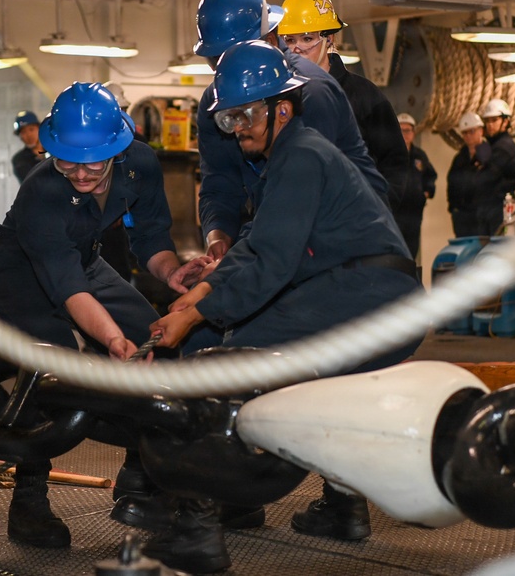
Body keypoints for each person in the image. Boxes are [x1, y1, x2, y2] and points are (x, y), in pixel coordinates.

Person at [143, 41, 420, 574]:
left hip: (366, 296)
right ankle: (341, 508)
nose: (238, 129)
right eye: (229, 119)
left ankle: (198, 528)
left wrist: (195, 318)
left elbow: (270, 263)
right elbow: (255, 244)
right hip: (374, 297)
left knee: (222, 365)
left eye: (247, 115)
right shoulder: (292, 158)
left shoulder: (302, 157)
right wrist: (199, 295)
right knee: (300, 382)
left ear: (283, 110)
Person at [0, 82, 210, 549]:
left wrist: (171, 271)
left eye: (93, 163)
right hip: (14, 275)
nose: (79, 173)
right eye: (67, 161)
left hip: (82, 262)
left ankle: (141, 476)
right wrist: (112, 340)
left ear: (116, 150)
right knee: (50, 363)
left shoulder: (139, 163)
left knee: (159, 344)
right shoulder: (42, 190)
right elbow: (67, 290)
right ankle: (29, 501)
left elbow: (151, 236)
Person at [192, 0, 387, 260]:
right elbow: (220, 181)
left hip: (349, 243)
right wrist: (218, 238)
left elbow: (296, 200)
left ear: (271, 40)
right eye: (215, 61)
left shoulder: (310, 93)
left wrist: (233, 267)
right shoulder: (216, 101)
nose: (224, 70)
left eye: (233, 57)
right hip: (284, 235)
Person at [278, 0, 413, 245]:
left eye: (307, 38)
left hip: (356, 231)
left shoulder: (365, 96)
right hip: (294, 231)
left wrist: (375, 213)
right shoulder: (279, 99)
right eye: (290, 40)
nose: (297, 49)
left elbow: (394, 162)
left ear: (330, 38)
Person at [395, 113, 437, 263]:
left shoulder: (419, 156)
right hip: (395, 212)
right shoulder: (388, 156)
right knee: (396, 249)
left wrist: (426, 192)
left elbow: (430, 175)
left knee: (412, 249)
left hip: (414, 212)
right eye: (401, 130)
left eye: (408, 130)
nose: (404, 134)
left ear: (413, 133)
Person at [475, 98, 515, 236]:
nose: (490, 125)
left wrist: (480, 170)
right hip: (489, 209)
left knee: (496, 246)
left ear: (505, 122)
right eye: (487, 121)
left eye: (494, 120)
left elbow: (486, 178)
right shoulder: (493, 146)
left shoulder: (504, 147)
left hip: (498, 209)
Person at [446, 112, 488, 237]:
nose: (468, 136)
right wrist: (453, 209)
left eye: (472, 131)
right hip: (462, 217)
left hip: (482, 215)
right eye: (465, 133)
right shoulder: (459, 159)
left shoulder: (488, 155)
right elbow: (451, 183)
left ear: (481, 131)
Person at [11, 109, 44, 182]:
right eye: (23, 132)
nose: (29, 135)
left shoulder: (53, 151)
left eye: (31, 129)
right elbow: (32, 182)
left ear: (39, 129)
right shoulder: (19, 159)